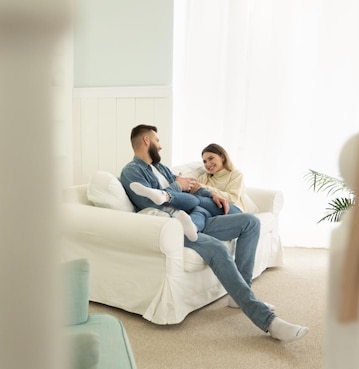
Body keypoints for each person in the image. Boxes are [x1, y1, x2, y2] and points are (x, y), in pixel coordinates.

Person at [119, 124, 309, 342]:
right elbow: (146, 201)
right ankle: (268, 321)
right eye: (157, 141)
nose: (160, 147)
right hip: (172, 226)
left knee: (250, 222)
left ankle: (240, 294)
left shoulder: (161, 169)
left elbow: (190, 189)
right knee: (218, 248)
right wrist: (176, 186)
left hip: (194, 216)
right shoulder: (132, 171)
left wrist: (211, 193)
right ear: (146, 141)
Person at [192, 143, 246, 212]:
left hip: (232, 208)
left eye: (211, 158)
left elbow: (233, 198)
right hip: (210, 210)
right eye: (205, 161)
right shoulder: (204, 177)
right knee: (198, 211)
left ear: (222, 157)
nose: (207, 164)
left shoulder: (236, 174)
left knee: (198, 202)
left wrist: (207, 188)